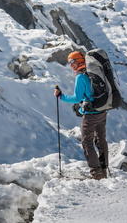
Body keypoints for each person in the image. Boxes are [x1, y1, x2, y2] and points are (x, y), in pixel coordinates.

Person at [54, 51, 109, 180]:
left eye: (73, 61)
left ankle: (96, 173)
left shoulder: (81, 77)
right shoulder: (94, 73)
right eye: (69, 63)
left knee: (87, 142)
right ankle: (103, 170)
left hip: (90, 115)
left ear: (80, 60)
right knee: (101, 140)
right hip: (102, 111)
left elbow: (76, 97)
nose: (71, 65)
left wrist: (60, 96)